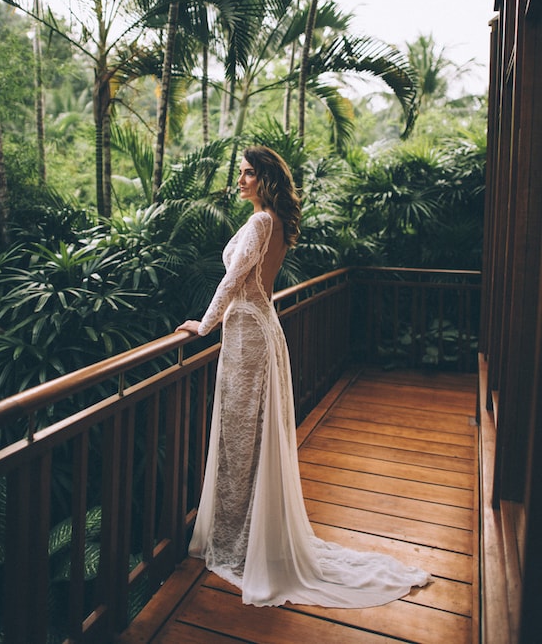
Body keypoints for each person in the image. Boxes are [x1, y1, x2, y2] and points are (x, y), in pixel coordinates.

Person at [176, 145, 432, 608]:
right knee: (249, 435)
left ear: (265, 179)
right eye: (240, 173)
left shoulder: (260, 222)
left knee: (240, 437)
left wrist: (204, 324)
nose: (240, 180)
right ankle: (246, 535)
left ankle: (240, 543)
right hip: (260, 328)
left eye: (248, 174)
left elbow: (234, 279)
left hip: (247, 334)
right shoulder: (272, 222)